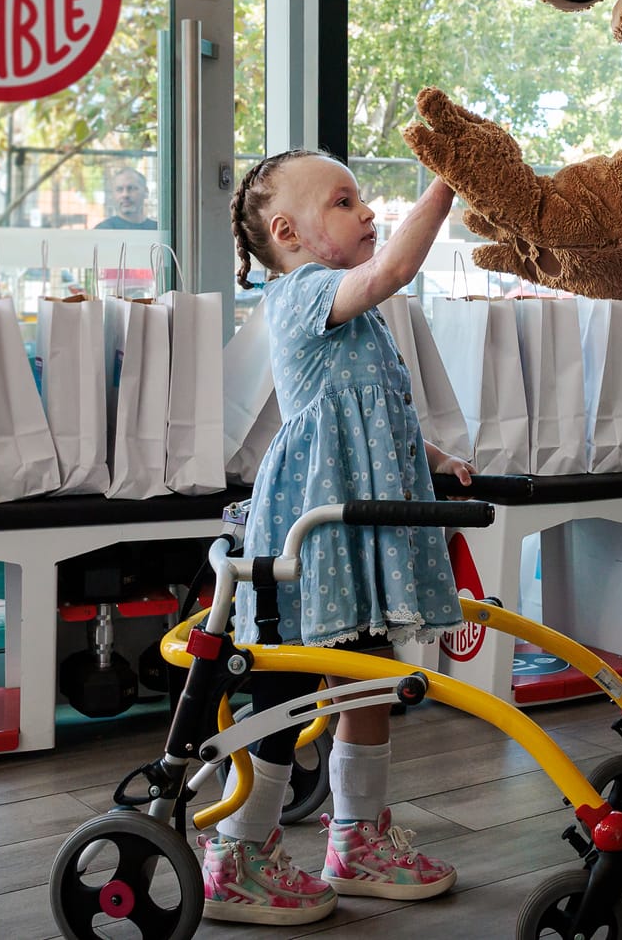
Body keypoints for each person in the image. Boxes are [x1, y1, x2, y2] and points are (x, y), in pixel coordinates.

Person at [200, 149, 471, 925]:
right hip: (314, 529)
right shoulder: (300, 294)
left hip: (361, 525)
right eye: (344, 201)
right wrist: (449, 181)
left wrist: (433, 455)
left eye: (362, 199)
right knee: (286, 689)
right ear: (287, 232)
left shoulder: (359, 317)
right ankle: (237, 854)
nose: (367, 212)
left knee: (368, 674)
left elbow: (373, 414)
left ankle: (356, 837)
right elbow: (393, 269)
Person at [93, 165, 159, 230]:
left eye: (131, 188)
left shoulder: (158, 229)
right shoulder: (103, 230)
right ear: (112, 194)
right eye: (119, 189)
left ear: (146, 192)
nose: (125, 195)